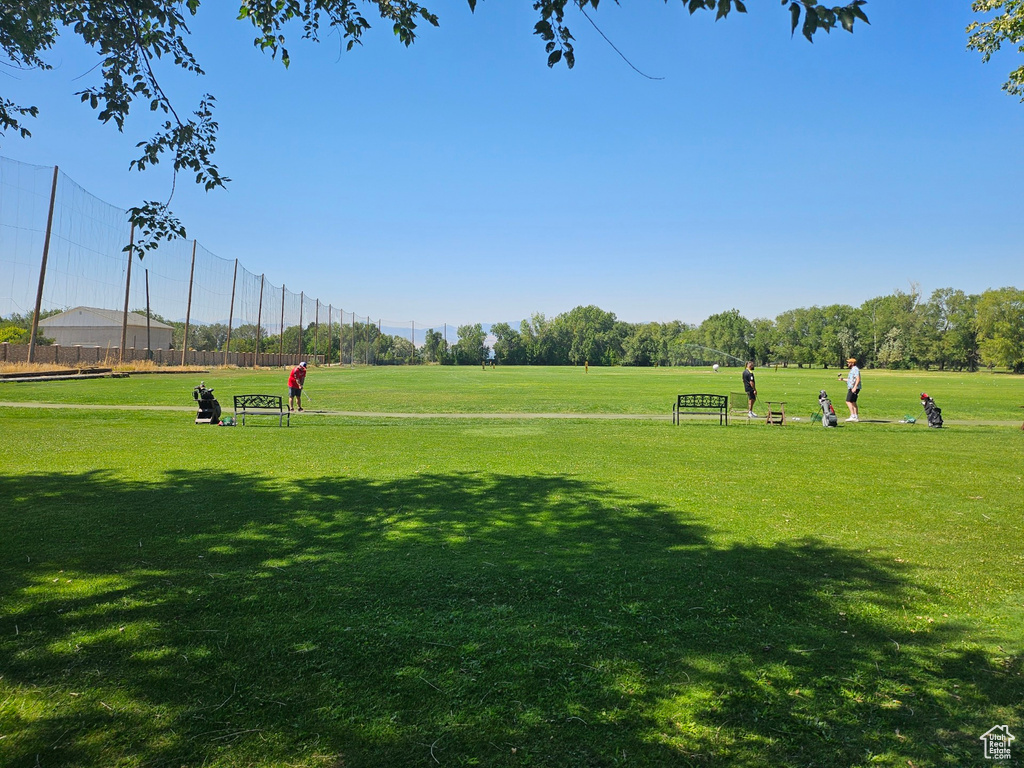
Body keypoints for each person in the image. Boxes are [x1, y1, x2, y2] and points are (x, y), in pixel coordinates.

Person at [840, 357, 861, 421]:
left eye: (849, 362)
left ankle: (853, 416)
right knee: (853, 402)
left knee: (848, 401)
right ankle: (856, 416)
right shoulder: (853, 369)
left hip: (853, 388)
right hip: (853, 387)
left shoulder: (855, 369)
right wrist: (843, 379)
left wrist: (854, 387)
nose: (848, 363)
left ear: (852, 363)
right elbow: (850, 380)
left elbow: (858, 379)